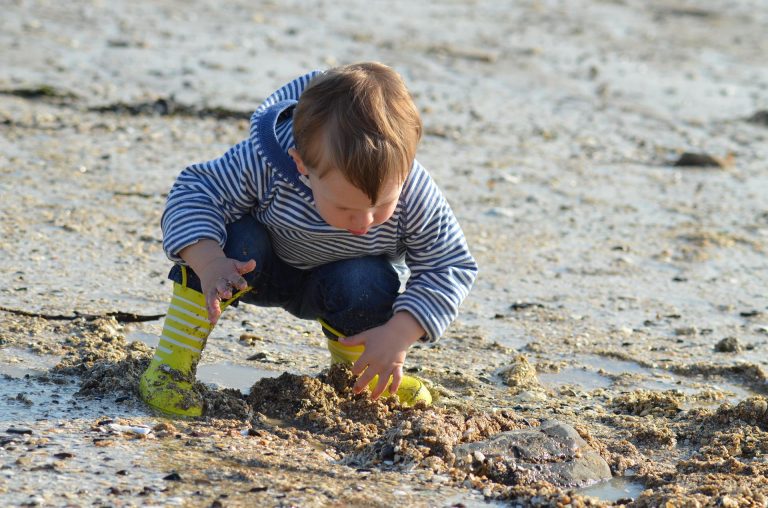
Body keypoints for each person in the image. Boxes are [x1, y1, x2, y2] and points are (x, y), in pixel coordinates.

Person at [139, 62, 478, 417]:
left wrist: (400, 332)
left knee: (368, 278)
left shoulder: (414, 193)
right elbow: (196, 191)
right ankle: (170, 368)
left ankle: (358, 377)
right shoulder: (266, 162)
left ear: (405, 170)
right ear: (302, 165)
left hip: (340, 283)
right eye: (345, 206)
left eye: (381, 206)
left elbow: (449, 264)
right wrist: (208, 261)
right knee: (235, 237)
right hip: (250, 268)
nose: (364, 222)